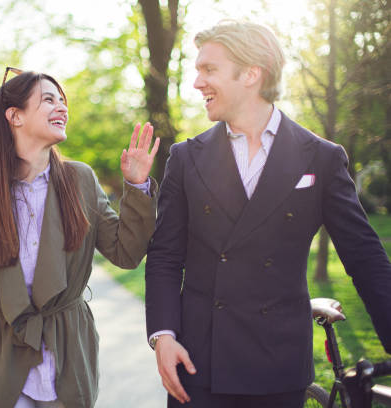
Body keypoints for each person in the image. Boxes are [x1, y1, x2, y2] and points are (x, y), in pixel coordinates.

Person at [145, 20, 391, 408]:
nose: (197, 83)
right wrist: (163, 336)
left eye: (209, 70)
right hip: (199, 365)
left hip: (278, 368)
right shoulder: (185, 157)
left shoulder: (322, 158)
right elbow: (164, 257)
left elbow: (364, 257)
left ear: (251, 74)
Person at [0, 68, 160, 408]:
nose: (62, 108)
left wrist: (138, 187)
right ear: (15, 116)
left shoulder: (80, 179)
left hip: (66, 355)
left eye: (62, 101)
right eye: (48, 100)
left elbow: (126, 254)